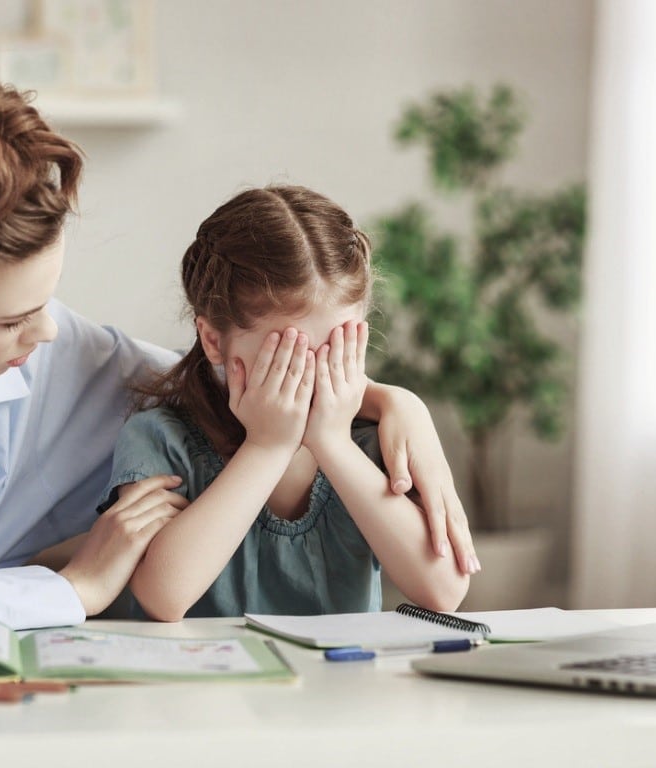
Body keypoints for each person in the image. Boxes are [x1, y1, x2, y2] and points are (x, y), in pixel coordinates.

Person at [0, 58, 474, 641]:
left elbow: (206, 378)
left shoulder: (20, 345)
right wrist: (74, 589)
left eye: (47, 302)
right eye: (15, 320)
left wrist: (387, 402)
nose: (47, 334)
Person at [94, 186, 475, 621]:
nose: (312, 376)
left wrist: (332, 441)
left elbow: (444, 591)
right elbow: (163, 598)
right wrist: (267, 447)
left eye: (336, 349)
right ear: (214, 340)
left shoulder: (374, 439)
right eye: (287, 357)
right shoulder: (159, 438)